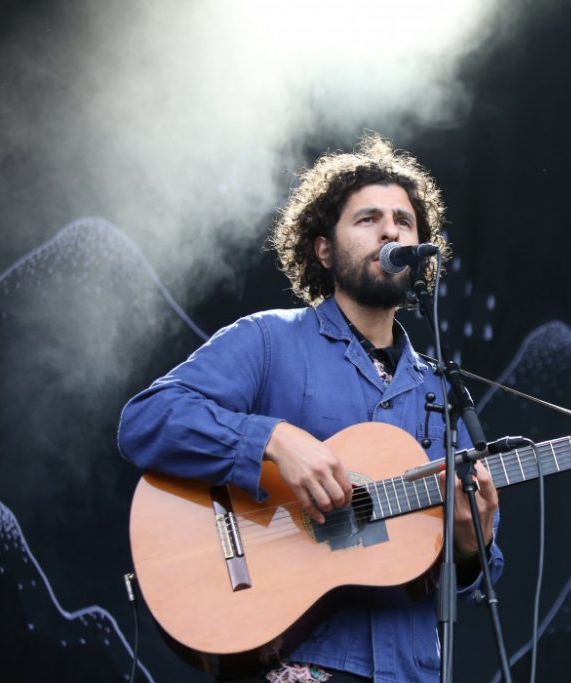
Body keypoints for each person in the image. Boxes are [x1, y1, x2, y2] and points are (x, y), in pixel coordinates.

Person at [118, 133, 503, 683]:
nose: (391, 230)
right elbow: (147, 420)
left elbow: (470, 579)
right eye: (368, 218)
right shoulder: (268, 340)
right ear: (324, 250)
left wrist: (471, 545)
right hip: (290, 663)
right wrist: (272, 440)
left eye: (404, 220)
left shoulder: (443, 392)